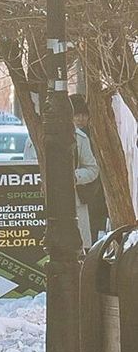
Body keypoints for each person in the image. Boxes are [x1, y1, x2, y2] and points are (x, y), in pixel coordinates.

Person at [23, 96, 99, 249]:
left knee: (78, 249)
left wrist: (74, 177)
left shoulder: (80, 138)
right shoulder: (35, 140)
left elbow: (92, 169)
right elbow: (29, 169)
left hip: (74, 202)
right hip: (42, 204)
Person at [70, 95, 108, 242]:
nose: (80, 118)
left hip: (89, 193)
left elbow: (93, 168)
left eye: (83, 115)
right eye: (77, 115)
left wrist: (75, 177)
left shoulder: (88, 136)